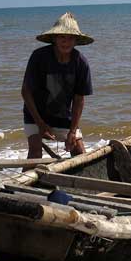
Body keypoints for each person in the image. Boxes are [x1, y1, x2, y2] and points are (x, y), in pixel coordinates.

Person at [21, 12, 93, 159]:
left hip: (63, 115)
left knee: (80, 153)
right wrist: (40, 123)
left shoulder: (81, 62)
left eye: (70, 38)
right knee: (35, 153)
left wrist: (72, 131)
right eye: (62, 37)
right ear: (54, 38)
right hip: (35, 114)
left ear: (76, 41)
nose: (66, 42)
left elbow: (79, 100)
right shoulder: (39, 57)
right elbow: (26, 92)